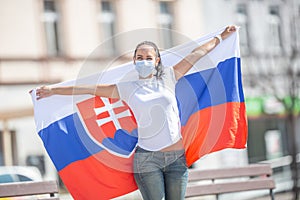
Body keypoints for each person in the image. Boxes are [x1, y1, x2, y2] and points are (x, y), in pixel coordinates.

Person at [35, 25, 236, 200]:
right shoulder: (127, 88)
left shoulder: (169, 76)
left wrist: (221, 37)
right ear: (134, 61)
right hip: (147, 161)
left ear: (157, 60)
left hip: (176, 158)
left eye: (148, 58)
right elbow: (89, 89)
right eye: (140, 57)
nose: (144, 61)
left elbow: (196, 54)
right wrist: (53, 91)